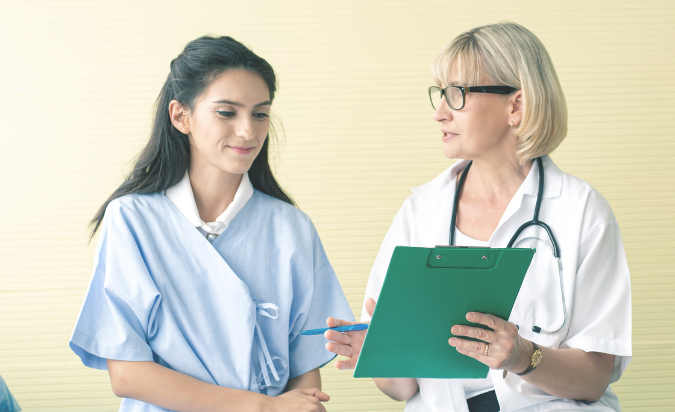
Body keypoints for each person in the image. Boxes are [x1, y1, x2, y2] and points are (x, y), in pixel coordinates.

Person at [324, 22, 632, 412]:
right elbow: (400, 389)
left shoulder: (582, 212)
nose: (439, 114)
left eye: (458, 94)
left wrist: (523, 356)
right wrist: (382, 351)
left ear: (515, 106)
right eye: (440, 94)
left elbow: (593, 380)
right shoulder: (420, 212)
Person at [69, 35, 354, 412]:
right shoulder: (133, 220)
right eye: (227, 112)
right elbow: (127, 373)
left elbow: (304, 366)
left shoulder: (292, 227)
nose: (247, 132)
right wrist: (262, 407)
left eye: (259, 113)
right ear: (180, 115)